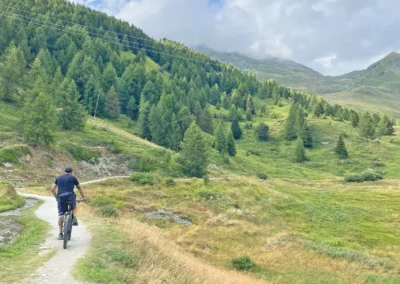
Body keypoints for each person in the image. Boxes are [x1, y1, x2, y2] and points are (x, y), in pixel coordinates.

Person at [50, 167, 86, 240]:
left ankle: (60, 234)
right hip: (70, 196)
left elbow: (52, 189)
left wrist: (56, 197)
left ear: (64, 172)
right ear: (71, 172)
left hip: (61, 197)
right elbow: (79, 189)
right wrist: (83, 197)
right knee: (74, 206)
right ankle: (74, 218)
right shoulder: (73, 178)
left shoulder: (58, 178)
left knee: (60, 214)